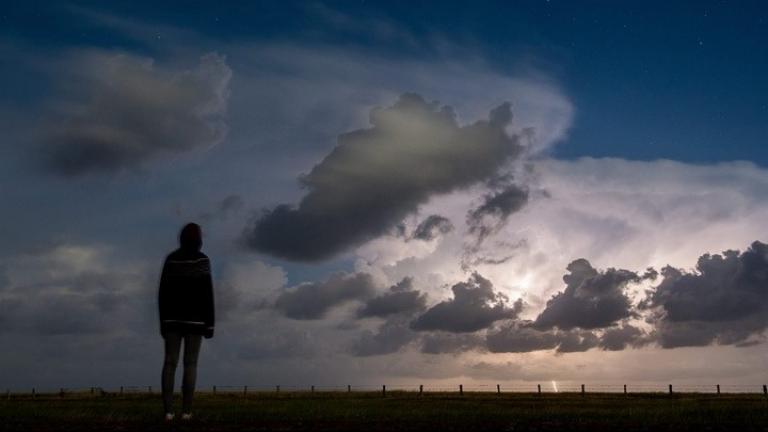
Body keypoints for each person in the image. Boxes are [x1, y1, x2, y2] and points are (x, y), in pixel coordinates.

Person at [158, 223, 215, 421]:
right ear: (199, 239)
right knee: (190, 364)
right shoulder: (203, 260)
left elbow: (162, 293)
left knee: (169, 362)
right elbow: (208, 294)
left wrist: (162, 322)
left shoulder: (172, 260)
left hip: (171, 319)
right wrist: (210, 324)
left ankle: (168, 412)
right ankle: (187, 412)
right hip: (196, 321)